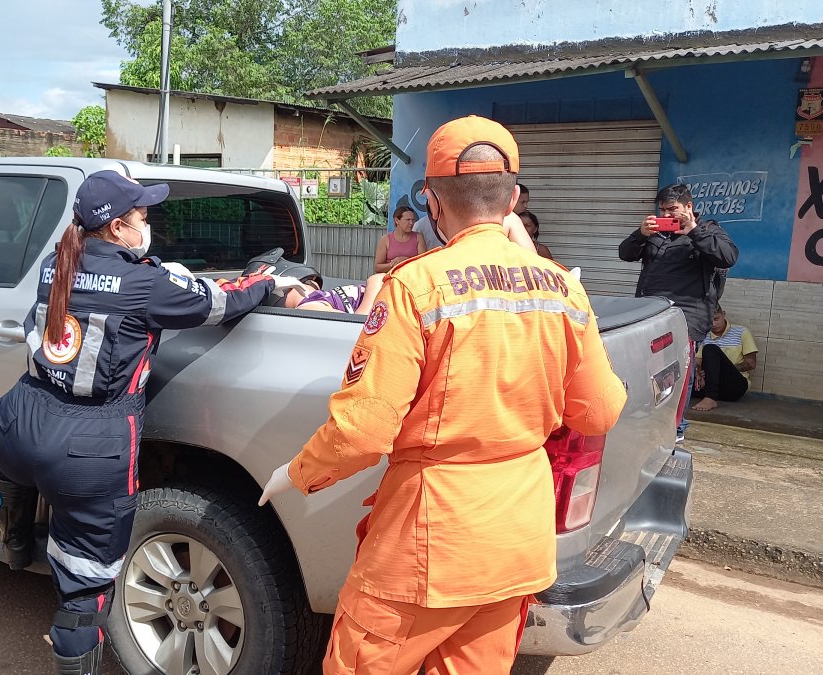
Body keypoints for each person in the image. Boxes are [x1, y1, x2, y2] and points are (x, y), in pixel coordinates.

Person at [256, 116, 627, 675]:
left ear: (431, 201)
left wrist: (298, 473)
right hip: (519, 537)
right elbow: (600, 410)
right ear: (514, 198)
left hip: (432, 539)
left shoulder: (414, 285)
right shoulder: (563, 286)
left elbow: (363, 431)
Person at [0, 170, 299, 673]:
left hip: (18, 419)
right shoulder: (143, 282)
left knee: (16, 469)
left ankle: (17, 542)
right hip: (87, 445)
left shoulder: (55, 264)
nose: (146, 225)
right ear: (115, 228)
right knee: (84, 589)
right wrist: (263, 283)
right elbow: (219, 303)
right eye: (142, 218)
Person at [619, 183, 738, 444]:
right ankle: (649, 419)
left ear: (689, 207)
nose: (668, 215)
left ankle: (676, 427)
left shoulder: (708, 230)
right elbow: (625, 254)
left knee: (679, 372)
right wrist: (640, 234)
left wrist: (693, 231)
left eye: (673, 209)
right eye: (662, 210)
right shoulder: (655, 233)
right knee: (648, 369)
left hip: (687, 316)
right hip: (650, 313)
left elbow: (728, 257)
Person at [691, 305, 758, 411]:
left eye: (716, 319)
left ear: (724, 315)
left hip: (733, 386)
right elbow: (697, 362)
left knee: (710, 348)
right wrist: (699, 372)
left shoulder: (741, 332)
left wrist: (719, 370)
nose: (713, 324)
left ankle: (710, 398)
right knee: (685, 384)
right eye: (709, 321)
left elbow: (751, 364)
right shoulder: (705, 335)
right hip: (709, 384)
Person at [282, 273, 386, 313]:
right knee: (311, 280)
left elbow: (358, 323)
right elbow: (377, 278)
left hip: (317, 304)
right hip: (322, 297)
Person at [375, 206, 427, 273]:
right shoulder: (386, 239)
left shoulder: (418, 238)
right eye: (408, 220)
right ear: (397, 220)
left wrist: (406, 260)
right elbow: (377, 267)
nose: (411, 223)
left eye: (413, 220)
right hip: (390, 279)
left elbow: (423, 263)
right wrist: (394, 265)